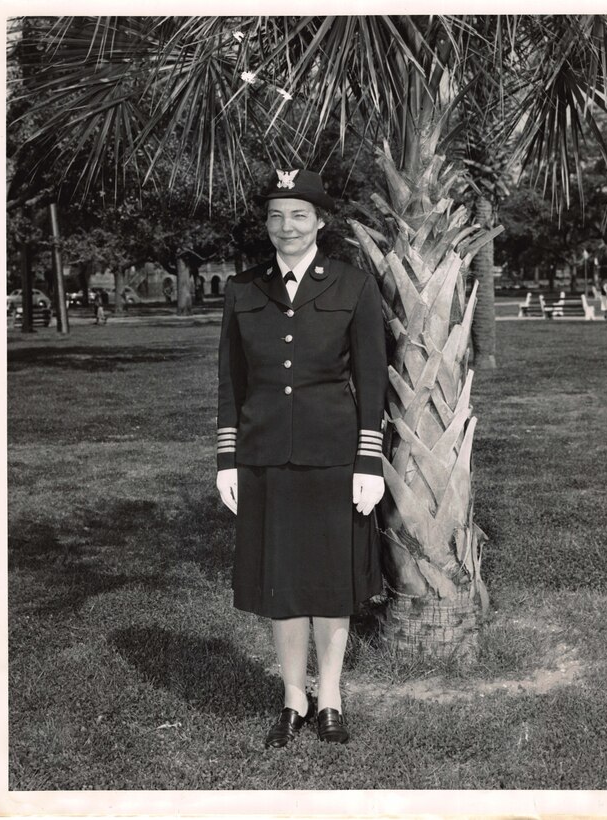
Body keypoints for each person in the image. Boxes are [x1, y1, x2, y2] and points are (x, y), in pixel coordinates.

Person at [216, 168, 388, 748]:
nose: (286, 227)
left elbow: (370, 380)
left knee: (331, 583)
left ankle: (331, 696)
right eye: (275, 216)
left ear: (320, 222)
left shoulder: (352, 285)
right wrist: (227, 461)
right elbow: (230, 384)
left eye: (298, 215)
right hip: (265, 457)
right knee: (282, 585)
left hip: (333, 457)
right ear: (266, 224)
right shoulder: (243, 289)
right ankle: (293, 697)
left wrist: (369, 462)